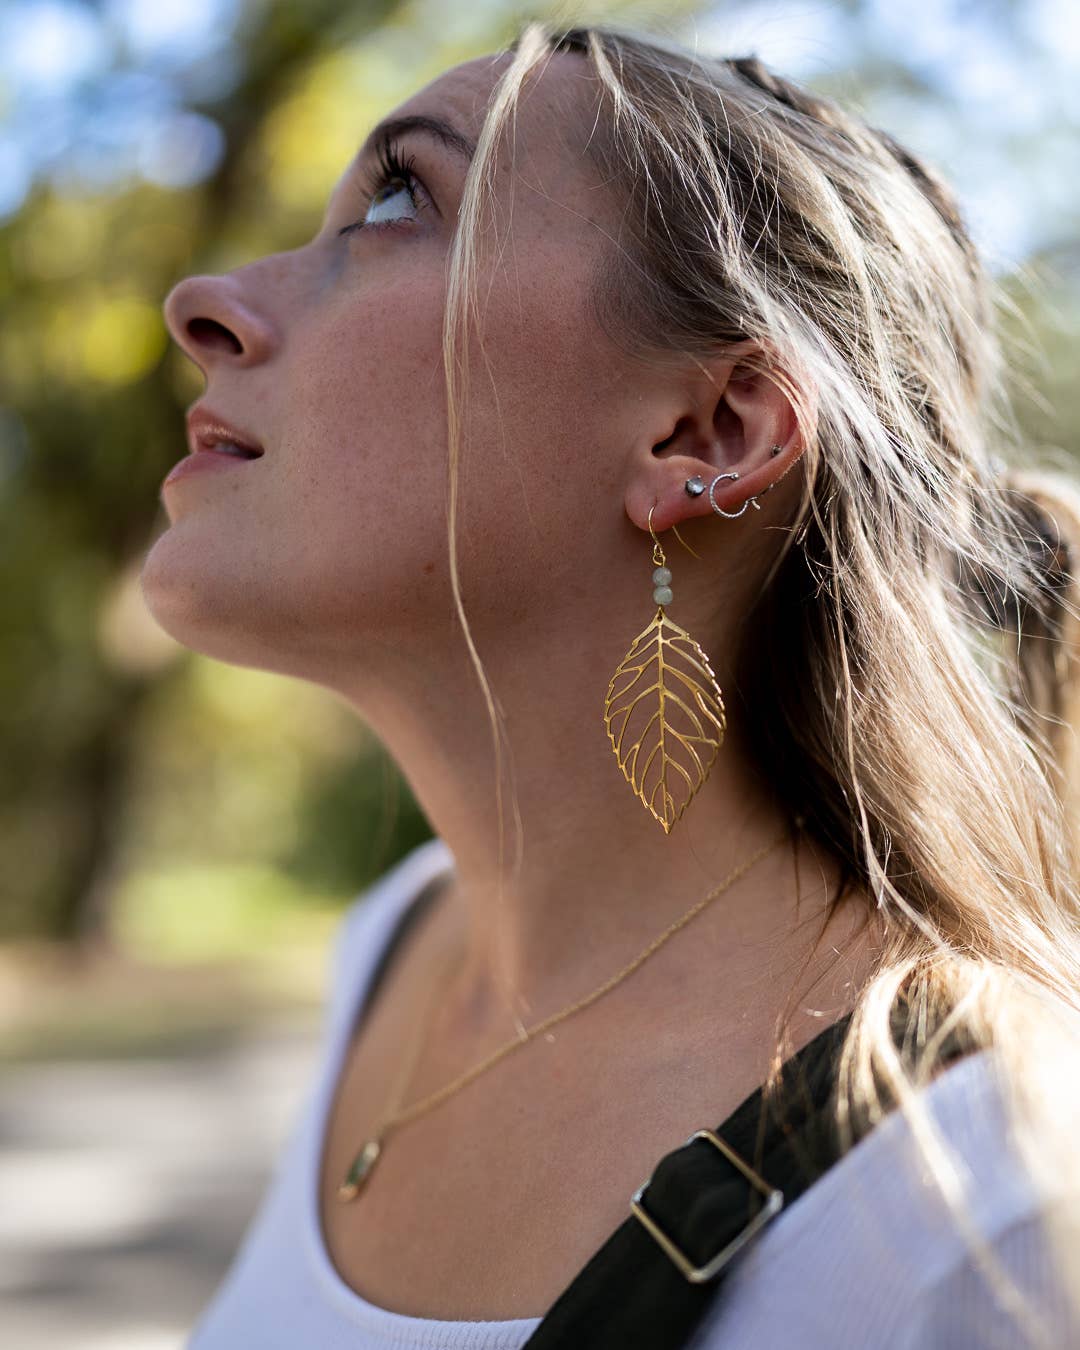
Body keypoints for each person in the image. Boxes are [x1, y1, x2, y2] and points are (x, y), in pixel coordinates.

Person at [146, 19, 1080, 1349]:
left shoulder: (981, 1207)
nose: (202, 303)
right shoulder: (397, 944)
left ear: (708, 432)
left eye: (400, 201)